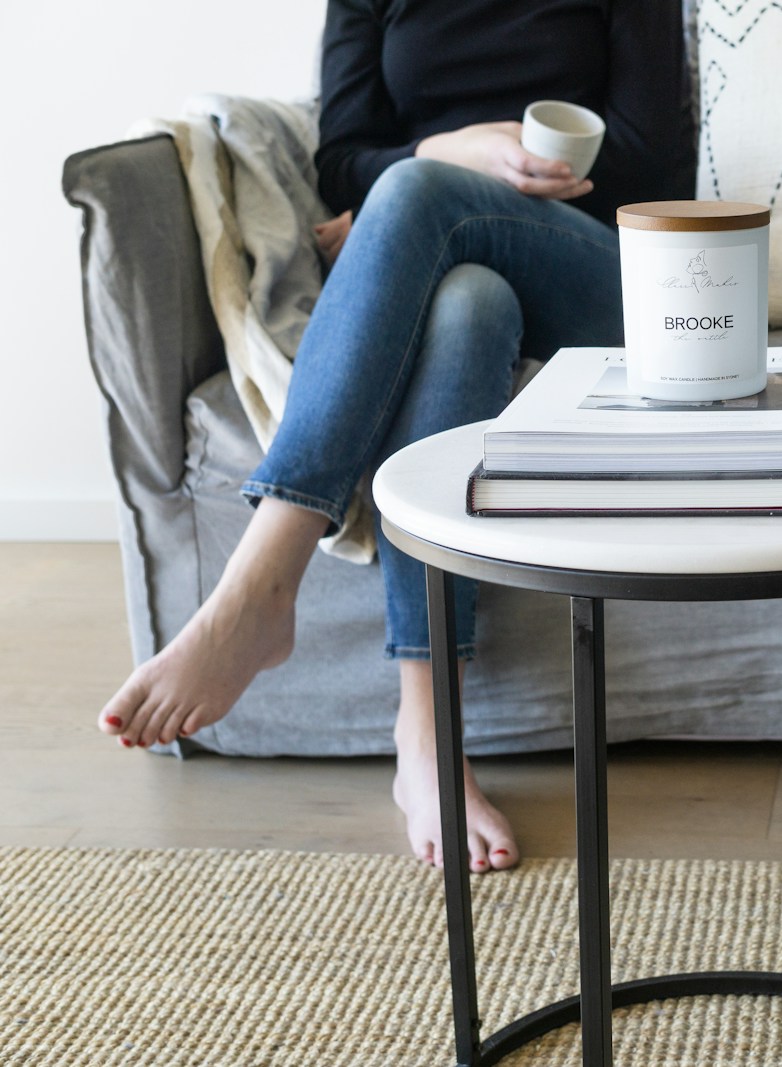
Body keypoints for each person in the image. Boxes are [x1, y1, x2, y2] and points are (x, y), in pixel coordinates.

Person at [95, 0, 695, 874]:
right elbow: (339, 160)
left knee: (416, 195)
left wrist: (463, 179)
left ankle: (262, 585)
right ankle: (429, 737)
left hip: (599, 268)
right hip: (447, 259)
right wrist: (452, 151)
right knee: (466, 305)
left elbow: (652, 159)